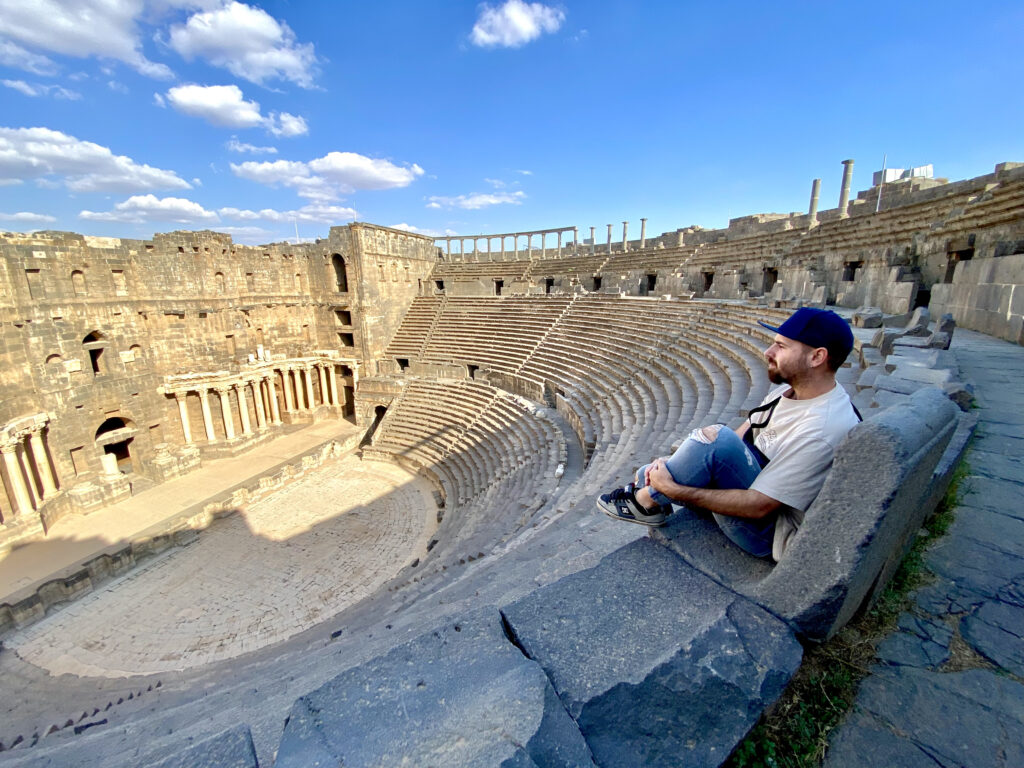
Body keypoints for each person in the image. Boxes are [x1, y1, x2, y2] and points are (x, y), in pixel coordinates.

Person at [597, 307, 861, 562]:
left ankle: (644, 502)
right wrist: (678, 466)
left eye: (781, 346)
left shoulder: (822, 428)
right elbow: (740, 438)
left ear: (817, 357)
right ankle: (652, 495)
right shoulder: (787, 392)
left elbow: (760, 506)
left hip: (769, 533)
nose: (768, 352)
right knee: (655, 469)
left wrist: (675, 490)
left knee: (699, 451)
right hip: (759, 484)